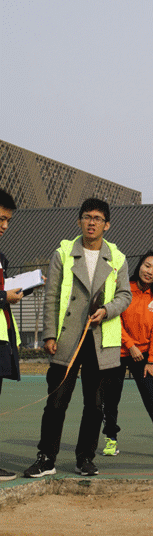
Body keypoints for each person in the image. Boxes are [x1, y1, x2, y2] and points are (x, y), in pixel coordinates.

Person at [24, 198, 132, 478]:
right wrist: (49, 334)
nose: (91, 222)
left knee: (94, 406)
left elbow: (125, 295)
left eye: (97, 218)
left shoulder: (117, 257)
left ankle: (85, 458)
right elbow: (51, 296)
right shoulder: (63, 253)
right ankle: (46, 458)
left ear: (107, 225)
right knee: (56, 401)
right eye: (87, 217)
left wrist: (107, 310)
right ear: (79, 221)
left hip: (100, 340)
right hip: (67, 338)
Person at [101, 251, 153, 460]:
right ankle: (111, 438)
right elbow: (114, 319)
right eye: (147, 266)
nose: (150, 272)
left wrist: (151, 360)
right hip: (118, 349)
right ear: (139, 266)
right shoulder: (123, 288)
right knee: (111, 397)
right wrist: (130, 345)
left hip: (144, 355)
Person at [0, 189, 24, 481]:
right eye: (0, 219)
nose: (5, 226)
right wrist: (3, 296)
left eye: (8, 220)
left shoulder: (1, 256)